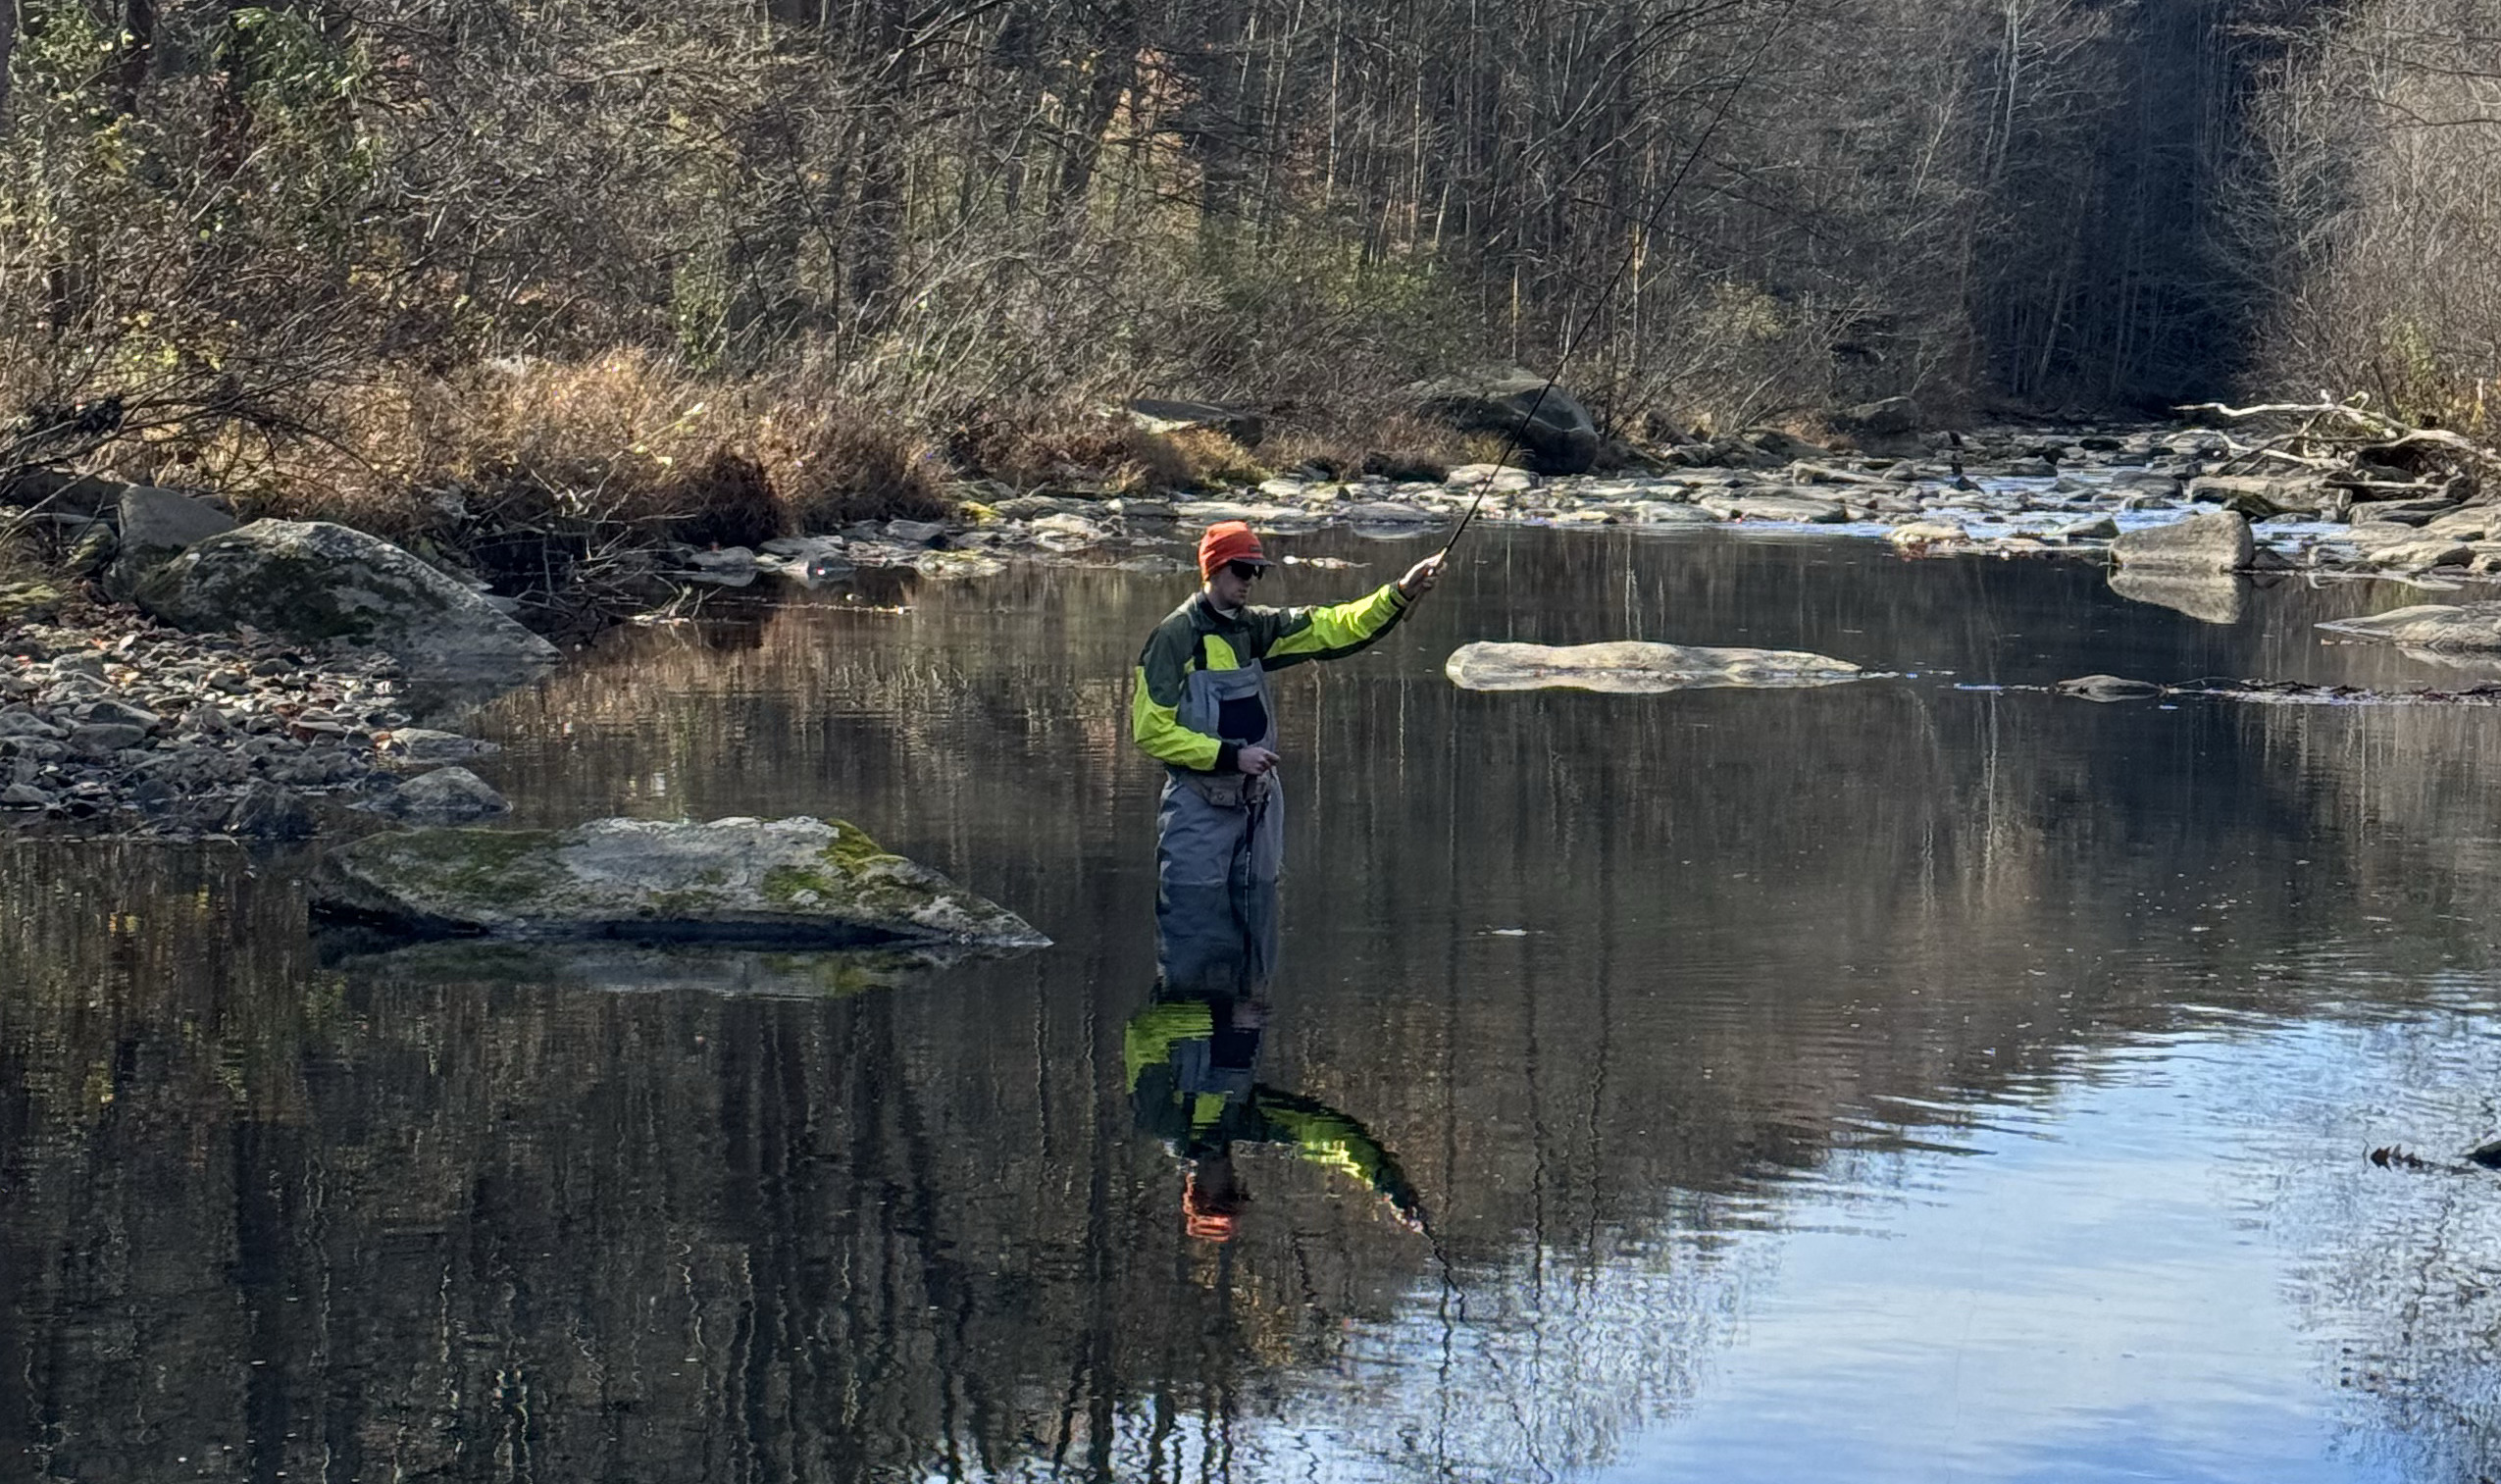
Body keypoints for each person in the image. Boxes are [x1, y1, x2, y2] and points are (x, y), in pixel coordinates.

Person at [1130, 521, 1442, 903]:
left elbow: (1331, 627)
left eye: (1256, 571)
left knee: (1259, 922)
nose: (1250, 580)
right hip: (1198, 808)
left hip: (1258, 807)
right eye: (1242, 569)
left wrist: (1399, 594)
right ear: (1213, 568)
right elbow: (1150, 731)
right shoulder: (1173, 637)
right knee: (1191, 916)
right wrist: (1232, 756)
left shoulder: (1256, 628)